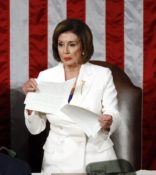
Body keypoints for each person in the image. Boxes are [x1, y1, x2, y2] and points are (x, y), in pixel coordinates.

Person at [22, 19, 121, 174]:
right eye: (61, 44)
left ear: (83, 47)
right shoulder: (46, 77)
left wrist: (108, 121)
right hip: (57, 159)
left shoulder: (102, 75)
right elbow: (36, 128)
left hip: (96, 155)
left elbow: (113, 112)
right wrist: (30, 104)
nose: (65, 51)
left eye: (72, 44)